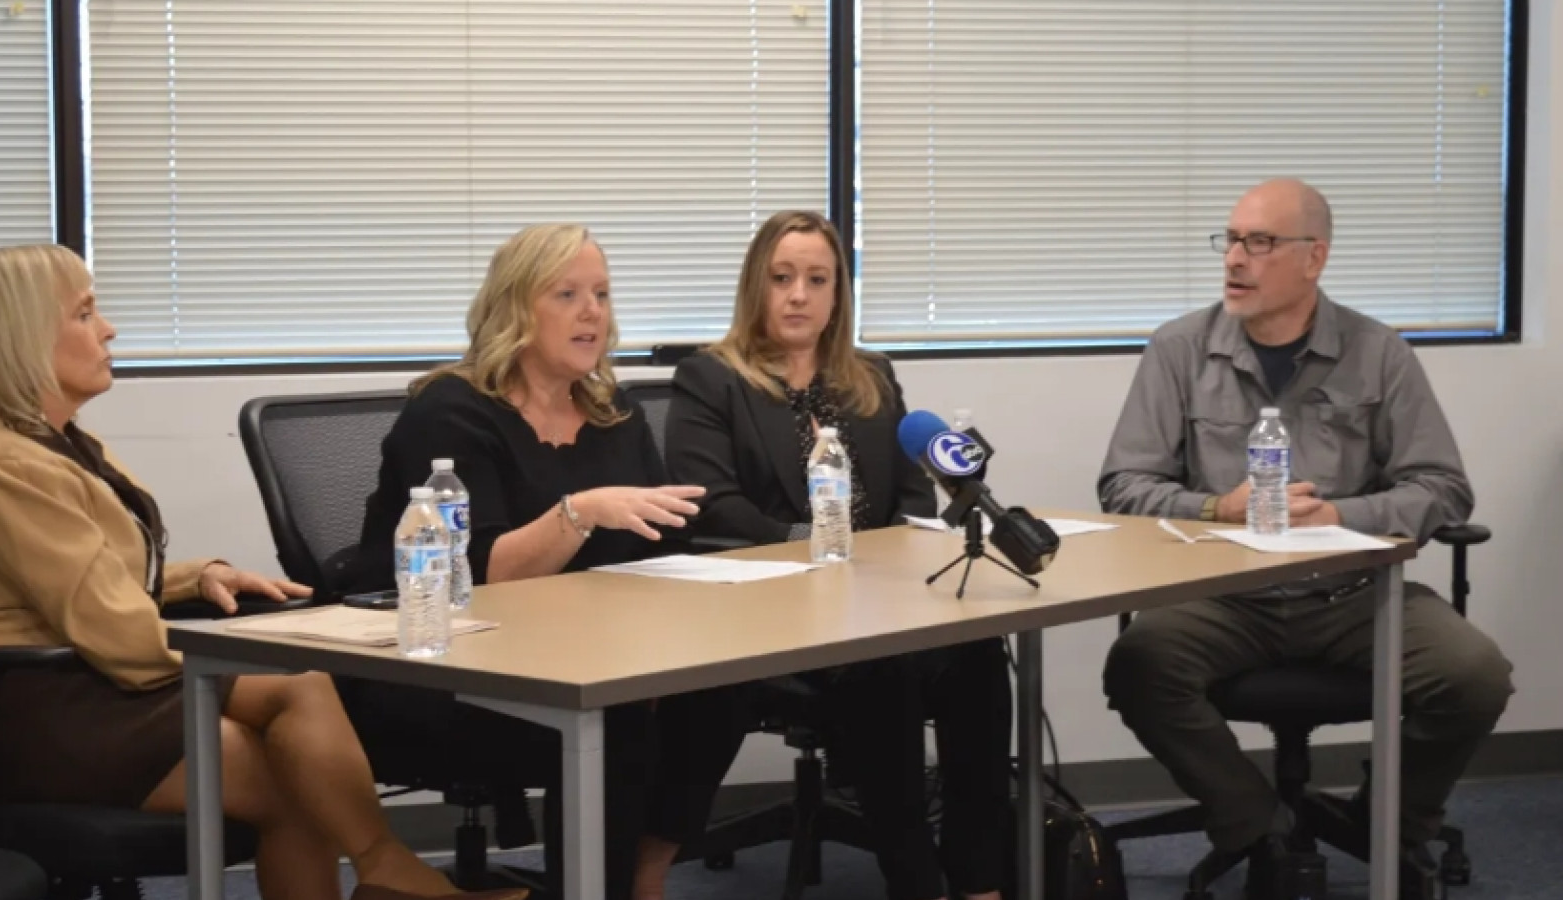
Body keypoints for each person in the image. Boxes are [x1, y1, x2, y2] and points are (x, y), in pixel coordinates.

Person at [0, 245, 522, 900]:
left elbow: (81, 577)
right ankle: (390, 871)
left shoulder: (55, 444)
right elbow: (115, 632)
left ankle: (388, 873)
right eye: (85, 313)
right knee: (297, 705)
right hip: (47, 719)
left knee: (299, 746)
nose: (108, 328)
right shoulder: (2, 463)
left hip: (93, 692)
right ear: (21, 338)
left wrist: (195, 575)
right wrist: (249, 650)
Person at [1097, 179, 1514, 897]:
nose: (1235, 258)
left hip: (1353, 592)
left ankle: (1388, 825)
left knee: (1475, 676)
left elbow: (1442, 487)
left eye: (1258, 243)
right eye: (1229, 239)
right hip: (1224, 594)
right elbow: (1123, 485)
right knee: (1139, 667)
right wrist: (1214, 506)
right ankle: (1257, 824)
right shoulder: (1178, 350)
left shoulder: (1378, 352)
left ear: (1314, 258)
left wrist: (1342, 516)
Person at [653, 210, 1013, 900]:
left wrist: (886, 569)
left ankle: (979, 879)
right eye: (782, 278)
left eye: (817, 280)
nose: (798, 295)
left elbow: (910, 500)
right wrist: (815, 552)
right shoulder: (711, 379)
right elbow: (713, 506)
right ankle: (917, 881)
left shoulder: (871, 378)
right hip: (773, 615)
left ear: (837, 294)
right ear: (756, 286)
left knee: (978, 653)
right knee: (885, 671)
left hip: (877, 601)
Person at [349, 223, 706, 900]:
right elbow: (481, 574)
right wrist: (580, 511)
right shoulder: (450, 414)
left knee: (721, 688)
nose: (592, 311)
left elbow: (661, 545)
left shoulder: (612, 411)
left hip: (593, 656)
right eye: (567, 293)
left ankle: (640, 874)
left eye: (600, 293)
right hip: (448, 672)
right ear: (516, 308)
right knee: (621, 720)